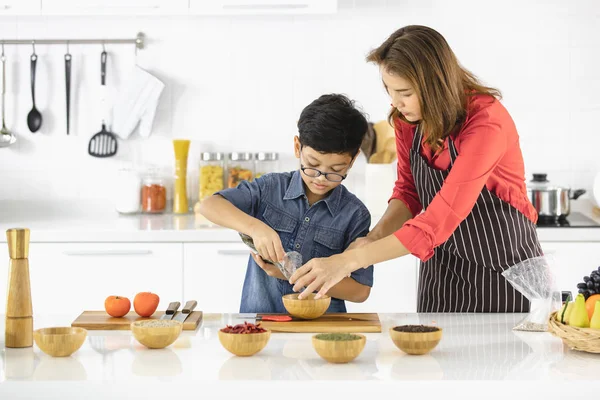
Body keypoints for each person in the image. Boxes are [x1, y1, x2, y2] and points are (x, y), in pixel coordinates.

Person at [289, 25, 542, 313]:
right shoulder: (407, 120)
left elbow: (440, 217)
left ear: (435, 84)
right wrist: (371, 240)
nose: (395, 102)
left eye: (404, 92)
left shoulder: (486, 123)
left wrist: (350, 261)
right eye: (388, 89)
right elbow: (409, 193)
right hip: (443, 264)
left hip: (505, 270)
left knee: (504, 356)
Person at [199, 94, 374, 313]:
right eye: (312, 164)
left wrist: (291, 274)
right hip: (260, 326)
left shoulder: (354, 214)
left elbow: (360, 291)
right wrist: (255, 227)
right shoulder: (270, 187)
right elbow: (209, 205)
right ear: (297, 147)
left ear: (354, 159)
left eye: (336, 171)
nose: (321, 178)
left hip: (320, 333)